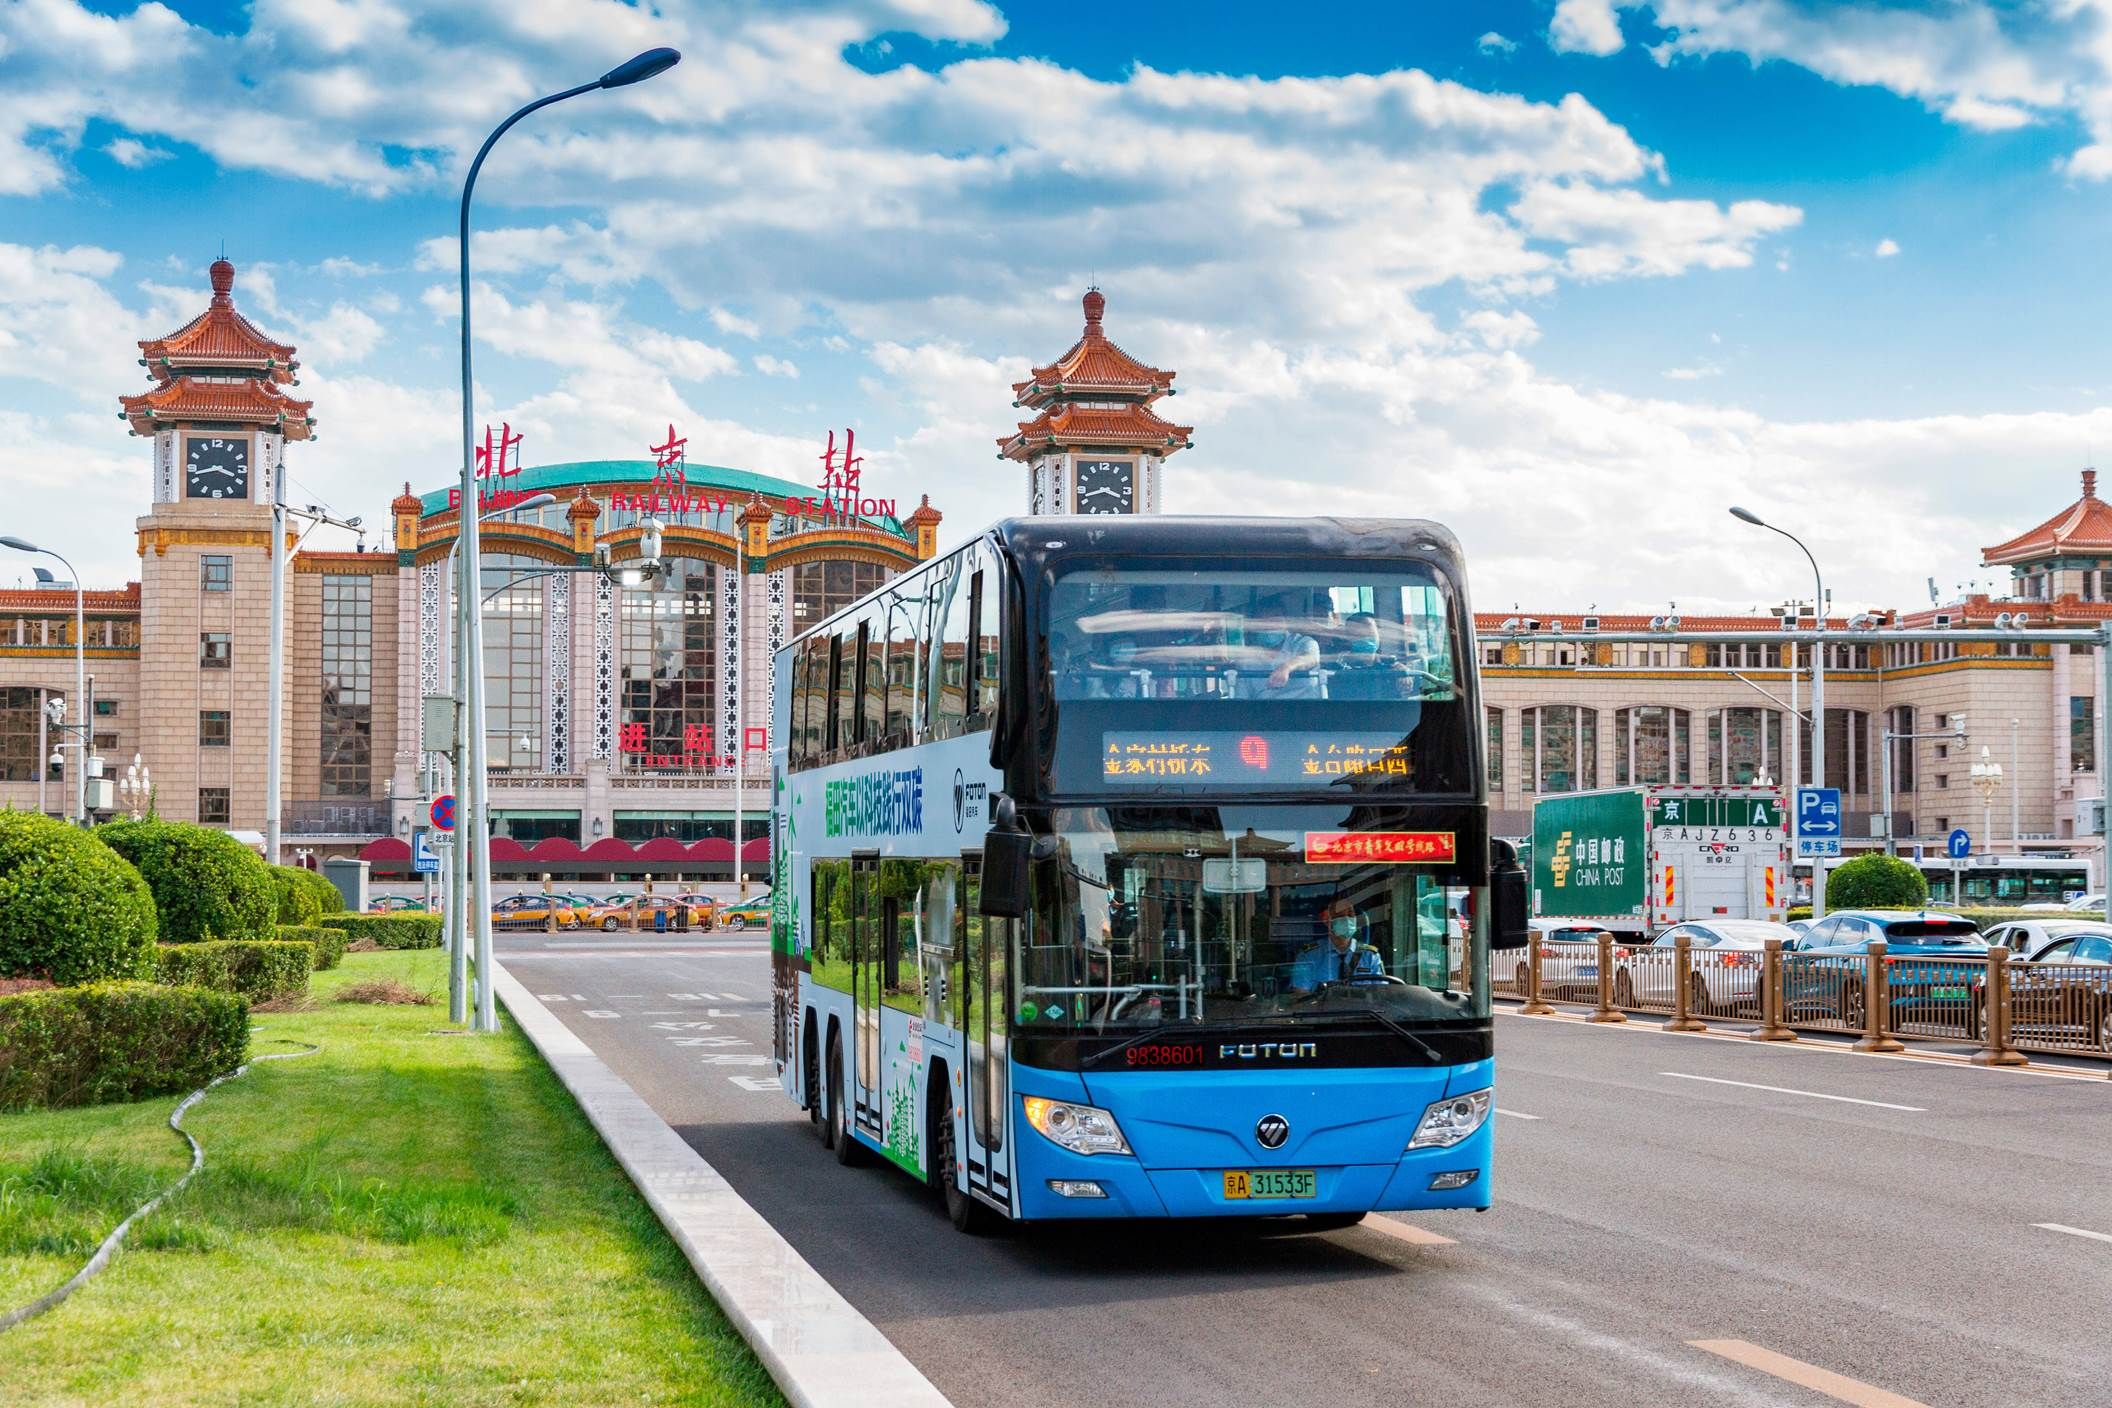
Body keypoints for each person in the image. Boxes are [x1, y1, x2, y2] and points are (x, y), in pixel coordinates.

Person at [1286, 899, 1385, 993]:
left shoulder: (1370, 956)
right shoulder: (1309, 955)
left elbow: (1381, 994)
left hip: (1363, 1010)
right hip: (1321, 1010)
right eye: (1340, 915)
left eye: (1350, 914)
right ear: (1327, 921)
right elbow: (1301, 995)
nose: (1347, 919)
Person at [1238, 594, 1321, 698]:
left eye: (1274, 620)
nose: (1270, 627)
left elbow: (1310, 658)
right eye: (1264, 622)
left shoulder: (1303, 643)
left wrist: (1286, 667)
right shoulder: (1247, 661)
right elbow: (1241, 698)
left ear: (1285, 621)